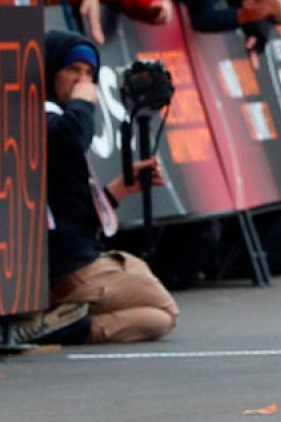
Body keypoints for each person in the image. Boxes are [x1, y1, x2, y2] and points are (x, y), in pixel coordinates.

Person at [40, 31, 180, 344]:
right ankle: (59, 322)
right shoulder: (47, 116)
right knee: (164, 307)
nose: (82, 80)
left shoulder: (61, 117)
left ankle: (65, 324)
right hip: (71, 265)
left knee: (157, 319)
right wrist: (82, 101)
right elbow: (73, 136)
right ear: (50, 72)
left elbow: (71, 210)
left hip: (78, 253)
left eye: (89, 73)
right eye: (73, 70)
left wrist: (120, 188)